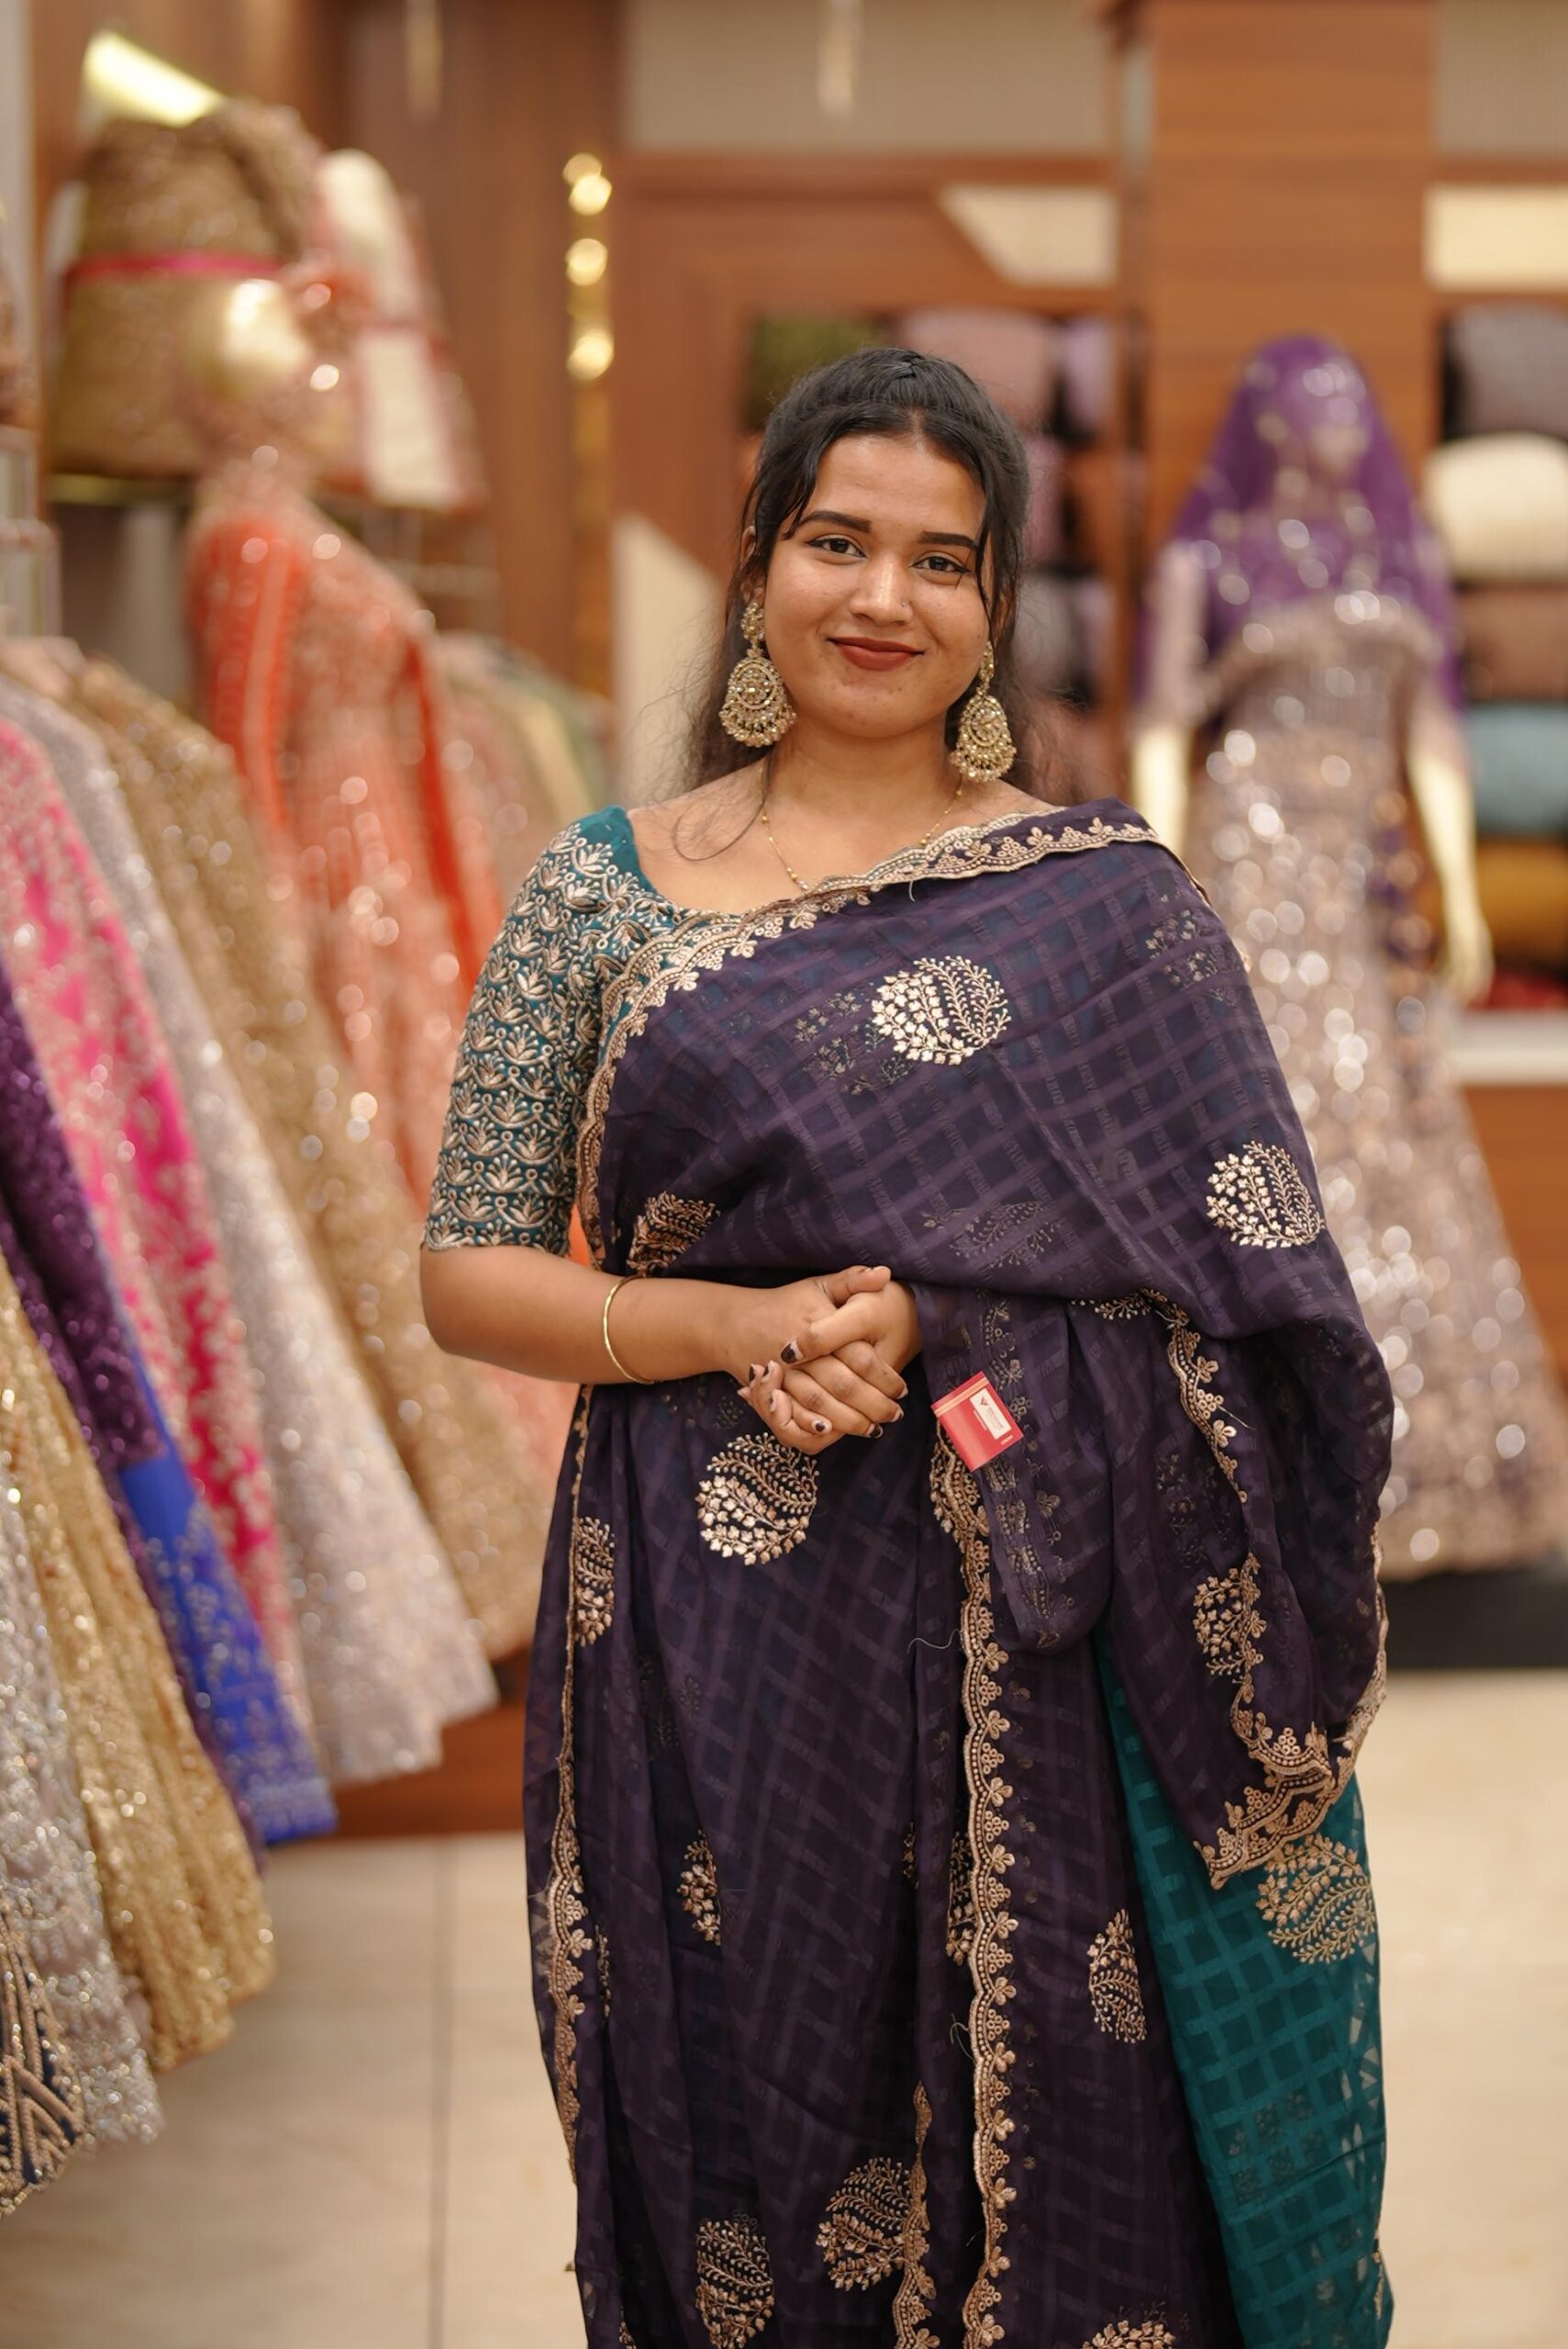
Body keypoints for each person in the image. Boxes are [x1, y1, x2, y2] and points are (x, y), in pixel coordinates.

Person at [422, 349, 1393, 2349]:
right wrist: (734, 1323)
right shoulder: (603, 888)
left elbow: (1257, 1302)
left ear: (994, 602)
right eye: (836, 542)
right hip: (709, 1610)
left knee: (1088, 2119)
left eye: (941, 561)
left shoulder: (1111, 908)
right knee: (757, 2105)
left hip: (1053, 1612)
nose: (883, 598)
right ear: (757, 567)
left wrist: (968, 1327)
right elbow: (465, 1269)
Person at [1130, 332, 1568, 1578]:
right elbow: (1160, 727)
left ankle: (1410, 1447)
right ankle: (1234, 1440)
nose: (1339, 426)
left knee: (1383, 1120)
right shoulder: (1207, 561)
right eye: (1314, 406)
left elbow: (1432, 731)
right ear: (1269, 421)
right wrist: (1160, 882)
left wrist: (1464, 891)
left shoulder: (1400, 552)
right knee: (1263, 1117)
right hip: (1250, 860)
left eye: (1349, 405)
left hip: (1356, 872)